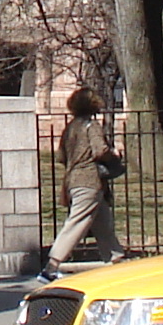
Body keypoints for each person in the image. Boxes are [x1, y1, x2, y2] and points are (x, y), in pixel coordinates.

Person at [40, 88, 122, 282]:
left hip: (73, 180)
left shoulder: (71, 127)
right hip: (89, 181)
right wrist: (114, 154)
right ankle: (51, 268)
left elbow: (61, 156)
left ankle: (117, 260)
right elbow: (99, 151)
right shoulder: (91, 125)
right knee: (77, 222)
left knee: (103, 223)